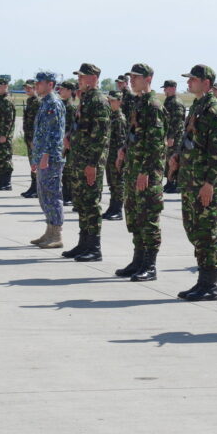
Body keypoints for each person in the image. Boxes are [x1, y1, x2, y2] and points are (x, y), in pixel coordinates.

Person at [172, 64, 217, 301]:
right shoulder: (197, 106)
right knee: (193, 229)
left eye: (193, 79)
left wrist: (209, 183)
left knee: (206, 233)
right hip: (190, 180)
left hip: (205, 183)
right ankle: (201, 281)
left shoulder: (215, 111)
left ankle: (210, 284)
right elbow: (188, 137)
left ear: (206, 83)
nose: (189, 83)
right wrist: (176, 156)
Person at [115, 64, 167, 281]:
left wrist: (145, 171)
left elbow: (155, 143)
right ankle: (138, 260)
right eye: (131, 77)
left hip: (146, 173)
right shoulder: (139, 103)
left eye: (136, 77)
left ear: (148, 79)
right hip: (134, 169)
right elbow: (137, 134)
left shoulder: (153, 105)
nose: (132, 80)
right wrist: (124, 149)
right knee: (135, 217)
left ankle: (150, 265)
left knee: (148, 218)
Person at [62, 63, 111, 262]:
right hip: (79, 159)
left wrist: (92, 164)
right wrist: (69, 137)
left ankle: (94, 247)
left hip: (90, 162)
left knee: (91, 203)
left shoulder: (98, 100)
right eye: (78, 77)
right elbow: (82, 128)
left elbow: (100, 136)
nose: (79, 80)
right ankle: (84, 243)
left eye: (82, 77)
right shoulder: (86, 99)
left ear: (93, 78)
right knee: (81, 202)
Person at [29, 72, 66, 248]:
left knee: (52, 195)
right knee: (44, 195)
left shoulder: (54, 103)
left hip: (50, 158)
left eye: (40, 82)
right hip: (43, 156)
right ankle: (49, 231)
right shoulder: (44, 102)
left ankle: (56, 234)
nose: (37, 85)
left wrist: (45, 156)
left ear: (50, 84)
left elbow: (55, 133)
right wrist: (36, 156)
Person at [101, 91, 126, 221]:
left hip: (117, 157)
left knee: (118, 183)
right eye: (109, 101)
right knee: (112, 184)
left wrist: (119, 158)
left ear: (119, 101)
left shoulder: (120, 119)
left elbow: (122, 141)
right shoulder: (111, 116)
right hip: (110, 156)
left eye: (112, 101)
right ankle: (112, 208)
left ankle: (118, 210)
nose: (110, 103)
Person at [163, 80, 187, 194]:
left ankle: (177, 183)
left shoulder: (176, 102)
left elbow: (177, 122)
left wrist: (171, 136)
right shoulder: (169, 101)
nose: (164, 90)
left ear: (172, 88)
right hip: (169, 135)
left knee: (175, 159)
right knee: (169, 159)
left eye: (166, 88)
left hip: (176, 136)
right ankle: (170, 182)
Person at [58, 80, 77, 206]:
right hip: (61, 141)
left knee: (69, 170)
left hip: (68, 143)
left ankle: (69, 196)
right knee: (64, 170)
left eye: (63, 89)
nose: (60, 91)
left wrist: (67, 142)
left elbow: (71, 127)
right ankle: (65, 194)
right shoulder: (62, 104)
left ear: (70, 91)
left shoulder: (70, 107)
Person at [21, 81, 40, 198]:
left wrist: (35, 139)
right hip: (29, 137)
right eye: (26, 88)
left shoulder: (38, 102)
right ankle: (33, 186)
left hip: (34, 138)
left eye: (29, 88)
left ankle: (37, 188)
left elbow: (38, 123)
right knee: (32, 163)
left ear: (35, 88)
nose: (27, 90)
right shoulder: (30, 101)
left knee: (35, 163)